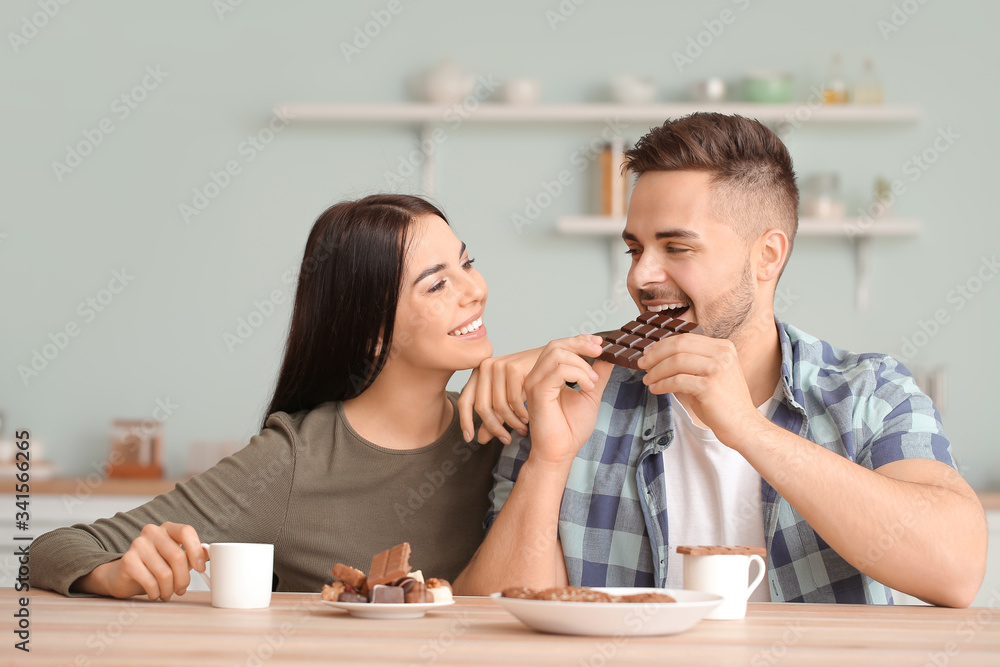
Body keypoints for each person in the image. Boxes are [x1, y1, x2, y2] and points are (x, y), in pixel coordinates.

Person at [455, 113, 987, 607]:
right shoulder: (570, 402)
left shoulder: (870, 394)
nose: (641, 277)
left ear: (767, 255)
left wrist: (748, 429)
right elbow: (494, 621)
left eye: (677, 248)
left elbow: (957, 569)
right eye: (635, 249)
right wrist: (549, 461)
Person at [30, 194, 506, 600]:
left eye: (467, 263)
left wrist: (537, 366)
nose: (476, 290)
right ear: (372, 332)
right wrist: (110, 574)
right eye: (438, 283)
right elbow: (51, 550)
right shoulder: (295, 460)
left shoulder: (504, 427)